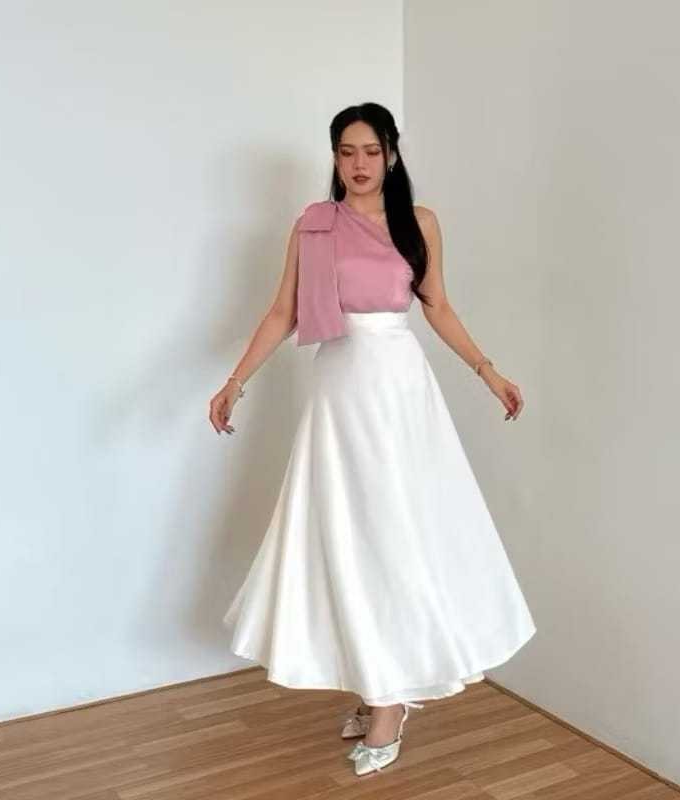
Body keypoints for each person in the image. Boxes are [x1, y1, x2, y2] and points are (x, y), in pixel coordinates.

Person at [209, 102, 536, 777]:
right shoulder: (314, 224)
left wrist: (488, 371)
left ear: (391, 153)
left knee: (394, 532)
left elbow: (438, 307)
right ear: (334, 157)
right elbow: (282, 312)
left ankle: (390, 701)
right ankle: (374, 680)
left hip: (399, 392)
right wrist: (235, 381)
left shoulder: (420, 223)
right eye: (346, 151)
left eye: (370, 150)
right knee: (348, 536)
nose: (358, 164)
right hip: (339, 389)